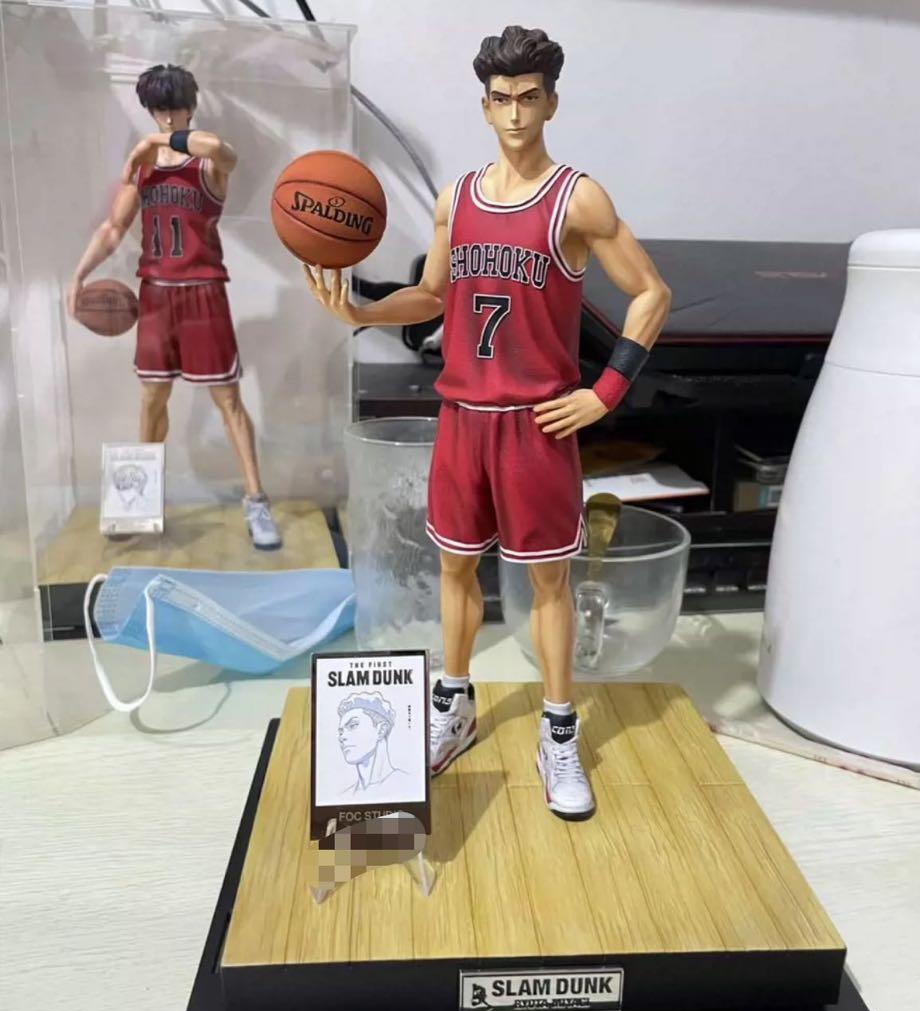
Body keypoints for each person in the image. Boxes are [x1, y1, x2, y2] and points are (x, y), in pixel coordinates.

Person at [305, 26, 671, 819]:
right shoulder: (456, 199)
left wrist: (607, 391)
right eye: (501, 99)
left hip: (535, 424)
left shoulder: (578, 198)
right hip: (463, 418)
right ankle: (456, 703)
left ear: (552, 103)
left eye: (529, 98)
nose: (514, 114)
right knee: (454, 569)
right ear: (484, 105)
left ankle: (559, 729)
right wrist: (363, 311)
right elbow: (432, 297)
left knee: (549, 582)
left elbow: (652, 293)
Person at [67, 63, 281, 551]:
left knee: (227, 400)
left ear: (190, 107)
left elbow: (224, 150)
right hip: (157, 294)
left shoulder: (206, 163)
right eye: (160, 110)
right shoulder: (143, 168)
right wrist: (78, 274)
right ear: (150, 109)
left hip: (204, 291)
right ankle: (139, 500)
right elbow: (113, 229)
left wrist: (151, 142)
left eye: (176, 108)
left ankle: (256, 500)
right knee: (151, 400)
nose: (168, 117)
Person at [337, 692, 405, 794]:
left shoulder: (406, 784)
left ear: (381, 730)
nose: (342, 737)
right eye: (341, 732)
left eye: (353, 725)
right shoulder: (344, 796)